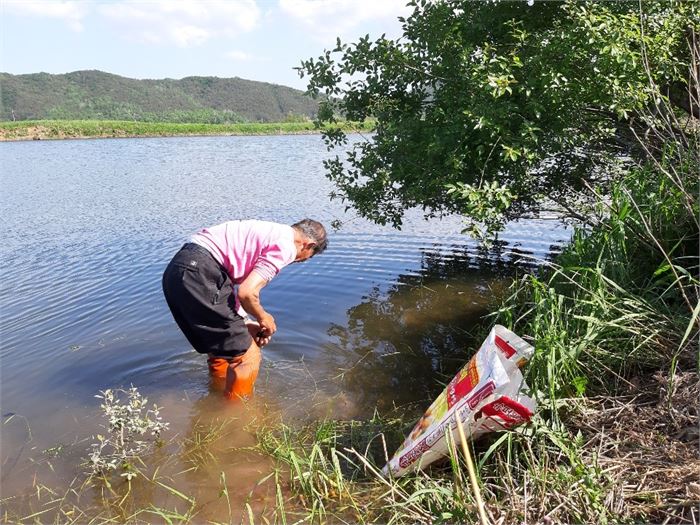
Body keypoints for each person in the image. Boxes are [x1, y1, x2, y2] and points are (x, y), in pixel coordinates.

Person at [162, 219, 327, 400]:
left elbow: (226, 287)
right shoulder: (287, 246)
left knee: (220, 348)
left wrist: (246, 321)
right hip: (202, 271)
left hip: (179, 269)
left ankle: (216, 395)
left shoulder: (270, 231)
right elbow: (247, 292)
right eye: (304, 258)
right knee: (248, 356)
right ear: (308, 245)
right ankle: (235, 417)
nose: (297, 261)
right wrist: (264, 317)